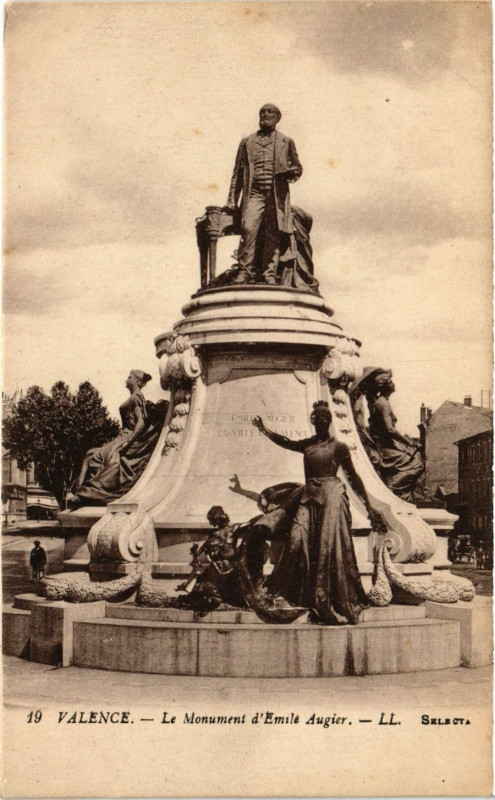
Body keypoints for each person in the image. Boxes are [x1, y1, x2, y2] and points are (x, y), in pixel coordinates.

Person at [251, 401, 386, 625]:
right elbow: (287, 442)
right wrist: (265, 430)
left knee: (327, 545)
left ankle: (327, 597)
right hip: (308, 495)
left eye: (323, 418)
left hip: (332, 496)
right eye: (316, 419)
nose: (319, 422)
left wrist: (369, 506)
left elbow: (353, 476)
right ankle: (286, 592)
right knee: (296, 538)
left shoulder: (339, 447)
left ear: (329, 421)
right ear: (313, 422)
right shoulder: (309, 444)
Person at [226, 104, 302, 285]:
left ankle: (269, 273)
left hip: (276, 196)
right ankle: (244, 272)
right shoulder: (247, 142)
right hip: (253, 193)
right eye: (262, 112)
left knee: (273, 234)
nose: (265, 115)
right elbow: (237, 172)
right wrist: (231, 200)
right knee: (248, 229)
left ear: (278, 118)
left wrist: (290, 173)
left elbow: (297, 167)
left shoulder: (286, 141)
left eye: (270, 113)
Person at [67, 370, 167, 507]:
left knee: (99, 457)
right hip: (121, 436)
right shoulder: (133, 397)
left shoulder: (137, 397)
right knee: (89, 454)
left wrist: (128, 442)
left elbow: (141, 422)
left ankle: (86, 493)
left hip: (126, 436)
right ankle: (80, 491)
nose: (127, 379)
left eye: (130, 377)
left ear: (137, 381)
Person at [360, 369, 424, 502]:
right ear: (384, 386)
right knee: (416, 465)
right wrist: (408, 442)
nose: (392, 383)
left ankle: (409, 497)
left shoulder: (380, 401)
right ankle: (390, 490)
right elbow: (389, 429)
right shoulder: (383, 403)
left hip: (388, 446)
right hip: (385, 449)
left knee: (415, 458)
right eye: (389, 381)